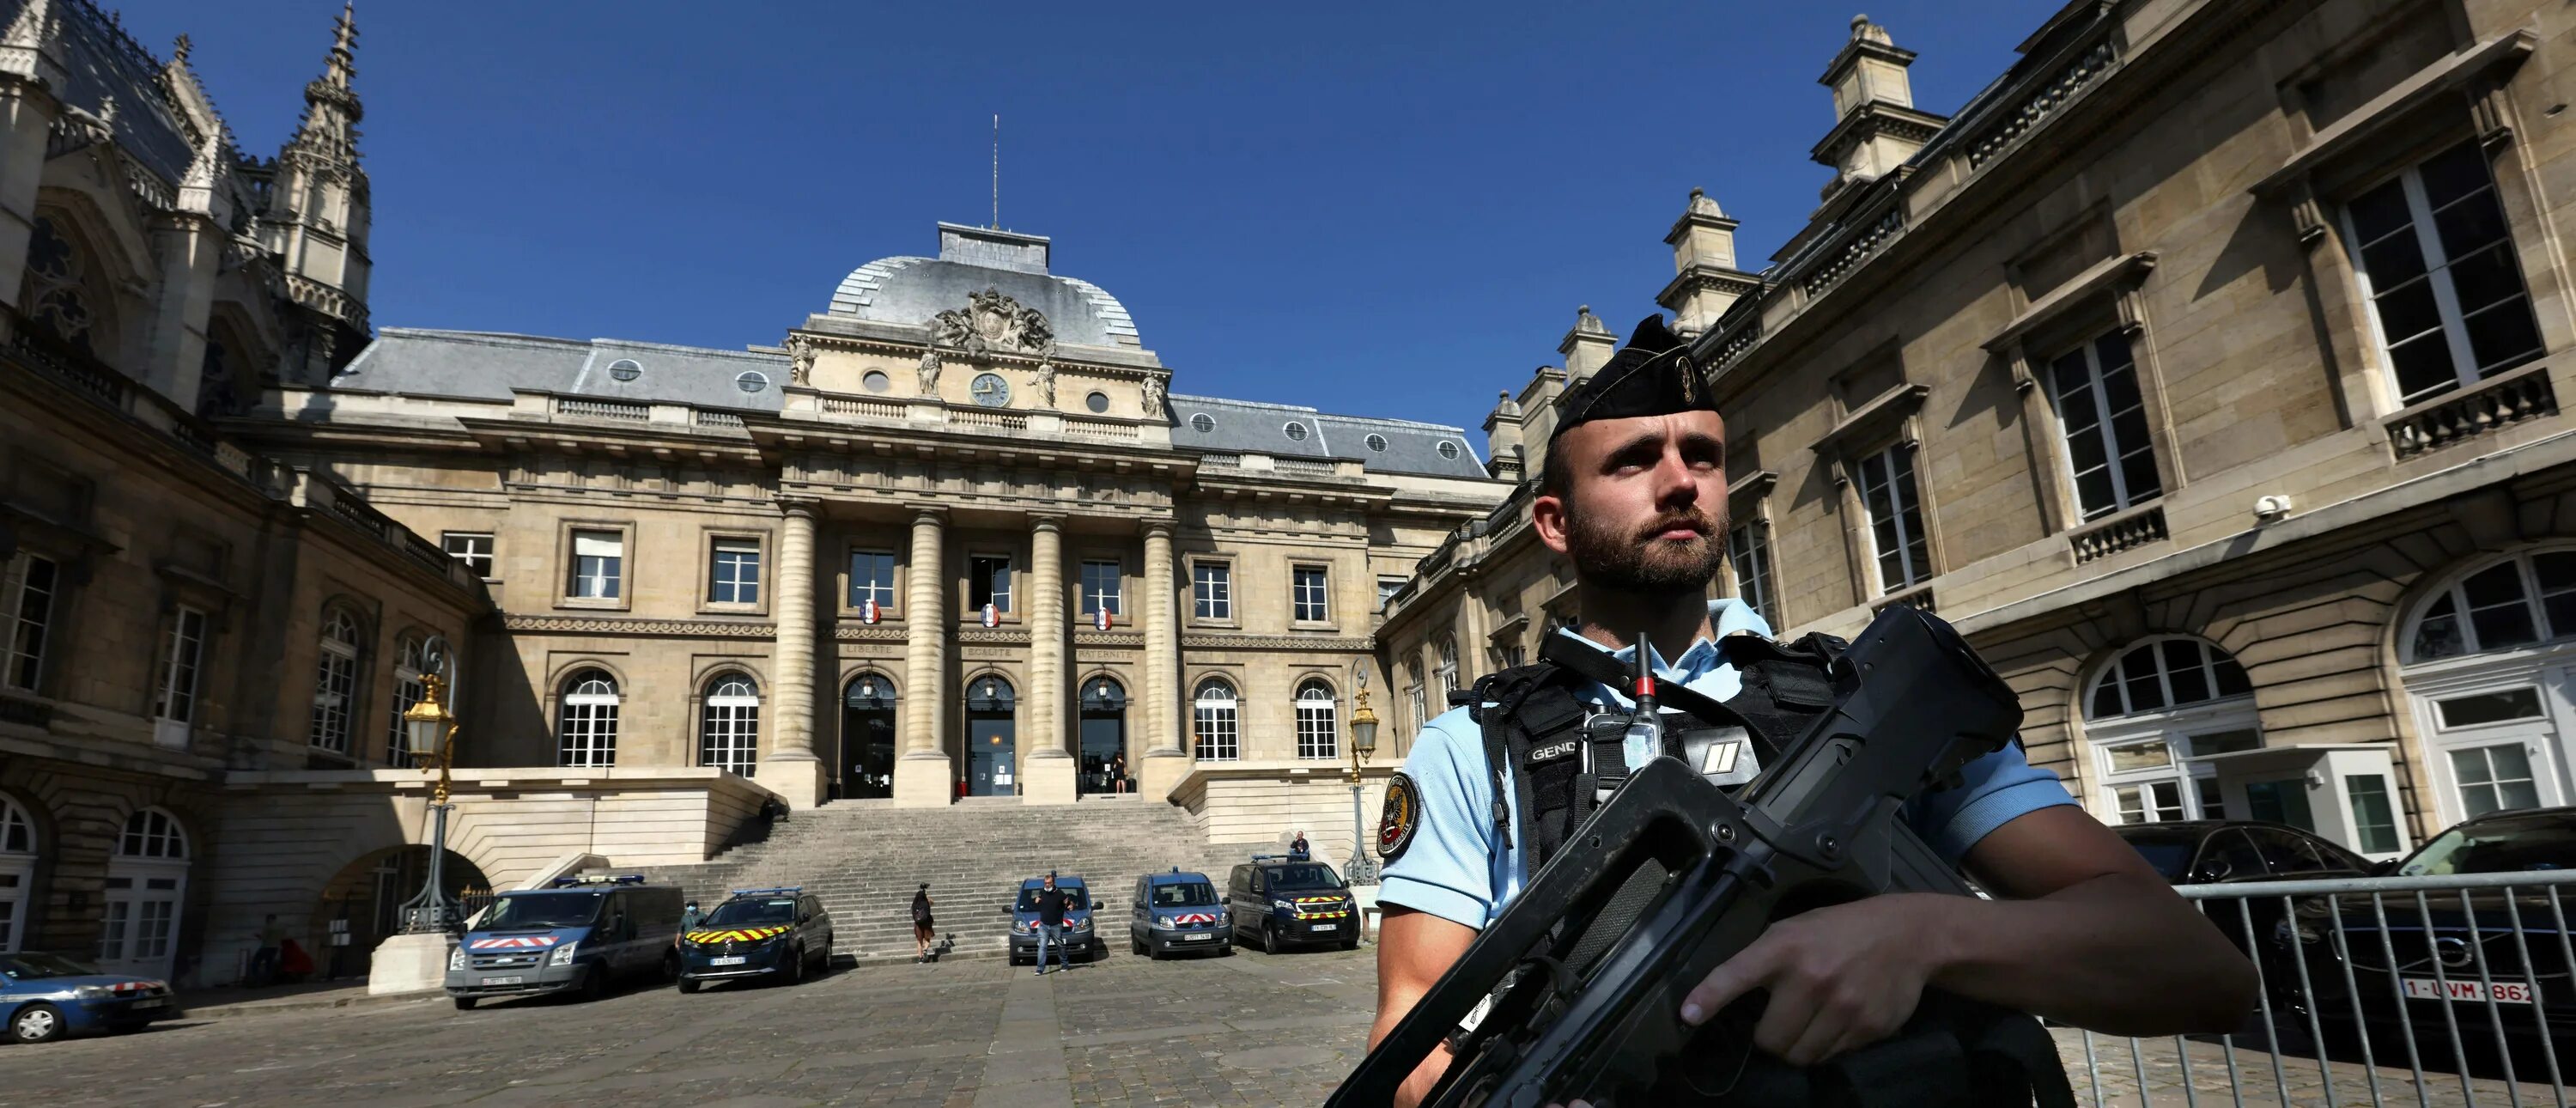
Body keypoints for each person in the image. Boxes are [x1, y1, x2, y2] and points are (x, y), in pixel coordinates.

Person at [1364, 315, 2260, 1107]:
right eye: (1635, 461)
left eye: (1703, 457)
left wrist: (1928, 936)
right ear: (1553, 524)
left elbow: (2193, 967)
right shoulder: (1473, 747)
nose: (1681, 483)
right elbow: (1410, 1027)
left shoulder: (1864, 703)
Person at [1031, 872, 1070, 976]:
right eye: (1045, 883)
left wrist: (1069, 906)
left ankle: (1064, 963)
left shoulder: (1060, 893)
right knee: (1042, 947)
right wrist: (1035, 901)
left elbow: (1068, 903)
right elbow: (1036, 905)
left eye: (1049, 883)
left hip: (1056, 925)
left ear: (1053, 883)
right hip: (1043, 925)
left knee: (1060, 945)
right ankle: (1040, 969)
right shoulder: (1042, 892)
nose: (1047, 885)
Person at [249, 914, 287, 984]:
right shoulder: (281, 927)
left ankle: (257, 979)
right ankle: (268, 980)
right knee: (269, 963)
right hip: (275, 947)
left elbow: (263, 938)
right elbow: (283, 937)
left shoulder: (268, 927)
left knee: (255, 962)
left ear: (269, 919)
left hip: (266, 947)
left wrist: (257, 935)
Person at [912, 883, 937, 963]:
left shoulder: (915, 904)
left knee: (919, 942)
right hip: (927, 923)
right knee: (928, 939)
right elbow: (933, 902)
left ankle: (920, 958)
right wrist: (927, 896)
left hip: (918, 924)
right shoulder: (926, 902)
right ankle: (925, 949)